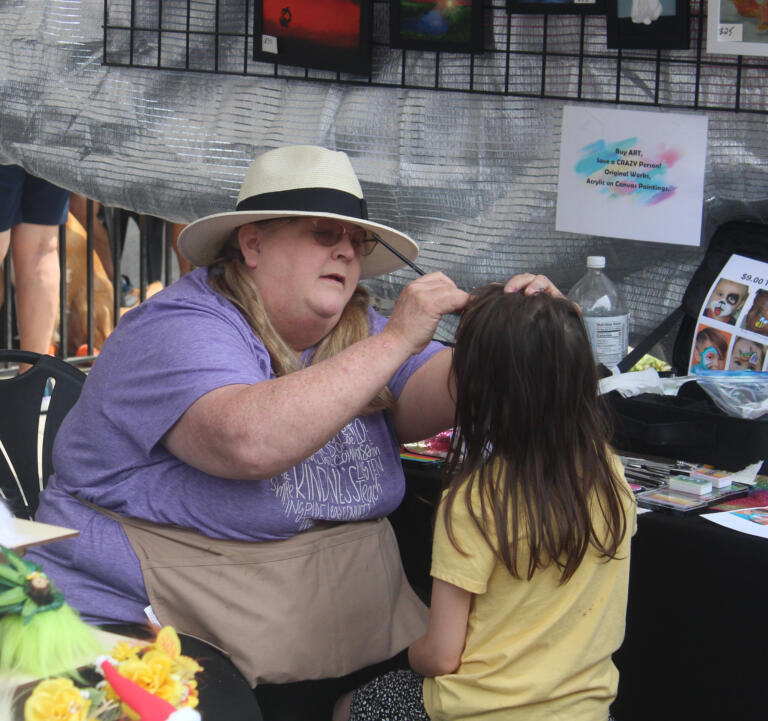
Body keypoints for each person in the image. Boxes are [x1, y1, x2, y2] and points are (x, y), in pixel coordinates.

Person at [29, 146, 561, 716]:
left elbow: (453, 389)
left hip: (318, 644)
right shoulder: (179, 326)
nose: (344, 251)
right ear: (253, 244)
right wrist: (395, 342)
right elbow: (247, 441)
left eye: (355, 243)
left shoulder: (363, 330)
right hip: (141, 636)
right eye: (321, 233)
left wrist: (520, 336)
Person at [334, 285, 637, 721]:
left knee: (349, 708)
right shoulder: (609, 471)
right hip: (587, 711)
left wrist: (410, 653)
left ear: (478, 386)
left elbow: (440, 657)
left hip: (477, 711)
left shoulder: (477, 498)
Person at [0, 164, 68, 365]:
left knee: (41, 247)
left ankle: (35, 381)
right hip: (51, 136)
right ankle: (36, 384)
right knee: (41, 248)